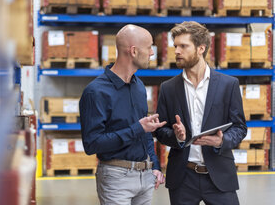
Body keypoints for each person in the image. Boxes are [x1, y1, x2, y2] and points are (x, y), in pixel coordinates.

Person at [155, 21, 247, 205]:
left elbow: (239, 127)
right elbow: (159, 131)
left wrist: (222, 141)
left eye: (183, 46)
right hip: (183, 178)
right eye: (175, 46)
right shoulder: (168, 88)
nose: (177, 51)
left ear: (200, 48)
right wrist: (178, 137)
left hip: (219, 176)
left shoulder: (228, 85)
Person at [79, 24, 166, 205]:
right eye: (149, 47)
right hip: (116, 177)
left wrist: (155, 166)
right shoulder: (96, 92)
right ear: (133, 51)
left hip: (145, 175)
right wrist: (136, 128)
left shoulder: (139, 86)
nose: (152, 53)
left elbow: (146, 132)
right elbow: (92, 144)